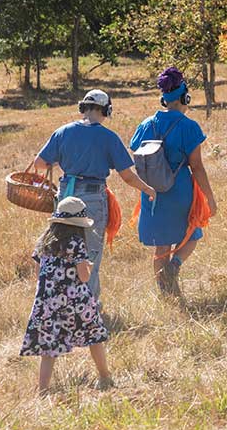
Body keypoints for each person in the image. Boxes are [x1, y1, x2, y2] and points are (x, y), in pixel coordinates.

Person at [30, 89, 157, 301]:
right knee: (90, 255)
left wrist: (62, 161)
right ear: (106, 109)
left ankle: (63, 301)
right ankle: (89, 308)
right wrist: (148, 189)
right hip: (93, 198)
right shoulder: (108, 137)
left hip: (65, 198)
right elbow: (127, 176)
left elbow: (39, 164)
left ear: (84, 108)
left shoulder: (63, 131)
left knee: (63, 250)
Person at [130, 67, 218, 297]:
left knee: (161, 245)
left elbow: (135, 150)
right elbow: (196, 166)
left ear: (164, 98)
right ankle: (174, 266)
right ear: (184, 97)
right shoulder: (189, 126)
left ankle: (165, 292)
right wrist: (209, 197)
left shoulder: (146, 124)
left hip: (153, 191)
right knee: (192, 235)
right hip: (180, 189)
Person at [20, 197, 113, 393]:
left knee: (49, 347)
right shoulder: (76, 243)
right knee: (94, 336)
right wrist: (87, 266)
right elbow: (84, 277)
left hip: (47, 302)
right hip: (76, 301)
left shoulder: (44, 241)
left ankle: (43, 389)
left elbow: (39, 273)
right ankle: (105, 376)